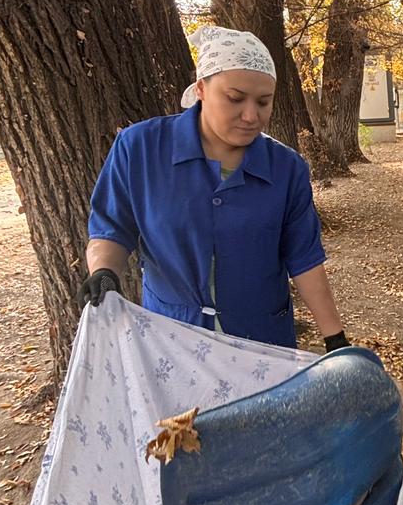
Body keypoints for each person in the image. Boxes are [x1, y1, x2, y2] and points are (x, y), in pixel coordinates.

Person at [78, 25, 349, 352]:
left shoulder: (286, 169)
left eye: (264, 102)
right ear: (202, 88)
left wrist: (334, 338)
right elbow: (112, 227)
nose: (251, 115)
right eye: (235, 98)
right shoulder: (140, 149)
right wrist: (104, 272)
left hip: (261, 342)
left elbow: (304, 257)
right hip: (172, 341)